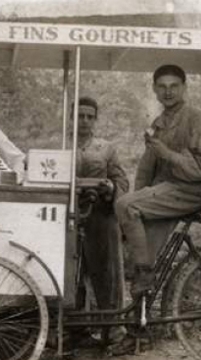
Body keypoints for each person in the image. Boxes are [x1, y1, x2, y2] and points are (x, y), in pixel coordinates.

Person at [112, 65, 201, 353]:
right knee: (142, 258)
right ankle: (139, 334)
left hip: (188, 192)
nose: (168, 92)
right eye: (162, 86)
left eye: (174, 86)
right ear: (155, 89)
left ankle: (145, 276)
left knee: (125, 208)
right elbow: (146, 169)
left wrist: (167, 154)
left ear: (184, 87)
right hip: (163, 194)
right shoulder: (158, 123)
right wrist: (136, 202)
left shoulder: (199, 120)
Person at [73, 96, 129, 346]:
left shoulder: (106, 148)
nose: (84, 121)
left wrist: (110, 187)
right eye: (80, 115)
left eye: (89, 116)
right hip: (71, 217)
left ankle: (113, 334)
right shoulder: (63, 146)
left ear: (95, 119)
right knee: (72, 274)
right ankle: (75, 330)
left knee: (107, 274)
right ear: (72, 117)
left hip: (102, 217)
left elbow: (123, 182)